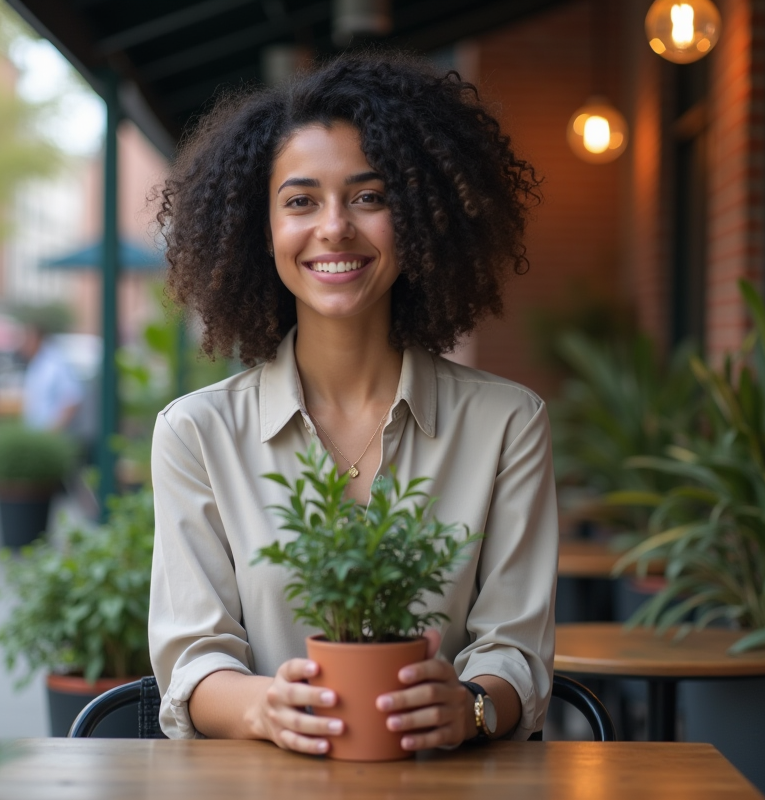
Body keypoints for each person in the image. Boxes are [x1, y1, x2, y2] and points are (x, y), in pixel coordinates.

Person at [148, 53, 555, 752]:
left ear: (424, 219)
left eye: (370, 197)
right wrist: (264, 708)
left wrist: (474, 707)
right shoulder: (197, 432)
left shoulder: (508, 424)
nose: (334, 227)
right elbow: (194, 661)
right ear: (260, 229)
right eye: (300, 201)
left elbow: (515, 647)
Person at [19, 322, 82, 432]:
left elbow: (72, 399)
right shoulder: (36, 363)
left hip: (51, 435)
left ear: (38, 339)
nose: (23, 344)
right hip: (37, 434)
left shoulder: (55, 364)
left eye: (27, 339)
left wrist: (54, 431)